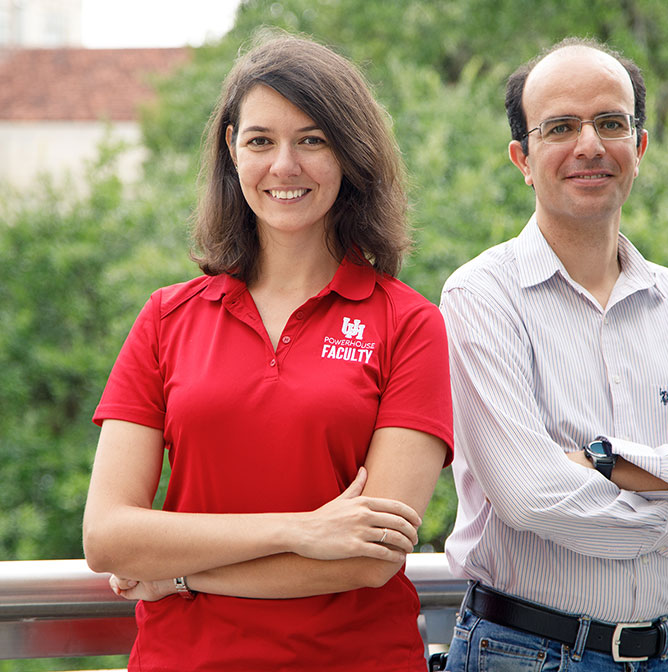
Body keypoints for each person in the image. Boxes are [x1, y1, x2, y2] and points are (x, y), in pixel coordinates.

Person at [83, 32, 453, 671]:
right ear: (231, 151)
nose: (285, 165)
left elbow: (369, 557)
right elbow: (108, 536)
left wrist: (180, 576)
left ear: (350, 152)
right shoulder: (166, 318)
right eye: (260, 141)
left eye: (312, 139)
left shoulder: (410, 324)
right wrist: (299, 530)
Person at [439, 37, 668, 671]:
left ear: (641, 147)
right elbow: (531, 497)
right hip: (526, 654)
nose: (590, 146)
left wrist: (606, 461)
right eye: (561, 127)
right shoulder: (482, 296)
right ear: (523, 157)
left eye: (610, 123)